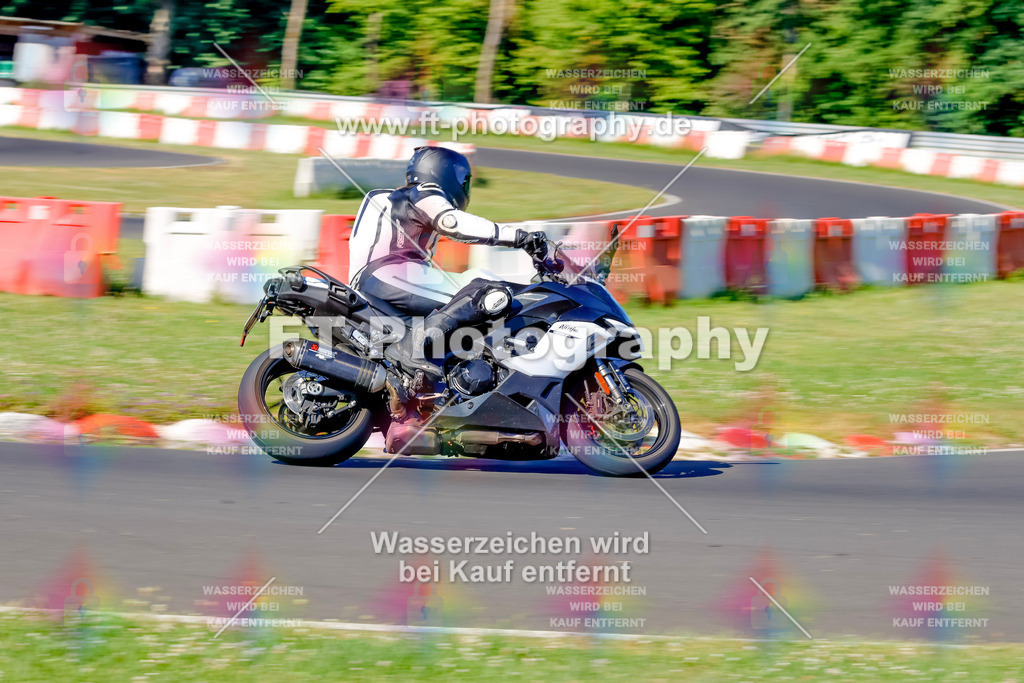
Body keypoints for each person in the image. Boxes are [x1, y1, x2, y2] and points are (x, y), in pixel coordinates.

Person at [348, 146, 548, 380]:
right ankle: (413, 348)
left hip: (372, 282)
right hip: (389, 274)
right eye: (462, 179)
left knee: (468, 305)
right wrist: (520, 238)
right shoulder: (422, 192)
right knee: (485, 291)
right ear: (441, 171)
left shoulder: (385, 197)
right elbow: (453, 223)